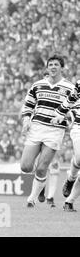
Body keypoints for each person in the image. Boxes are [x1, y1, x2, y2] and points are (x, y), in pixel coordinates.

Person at [20, 55, 76, 208]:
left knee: (42, 166)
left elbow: (74, 110)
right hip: (37, 128)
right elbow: (28, 105)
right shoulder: (37, 85)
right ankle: (41, 182)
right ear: (47, 68)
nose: (53, 67)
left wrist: (65, 116)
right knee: (25, 166)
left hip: (55, 131)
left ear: (61, 68)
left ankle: (31, 198)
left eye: (56, 64)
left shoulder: (70, 88)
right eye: (50, 64)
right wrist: (26, 120)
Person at [52, 79, 80, 212]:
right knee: (79, 158)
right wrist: (59, 114)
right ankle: (71, 178)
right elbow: (70, 99)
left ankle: (69, 202)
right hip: (79, 126)